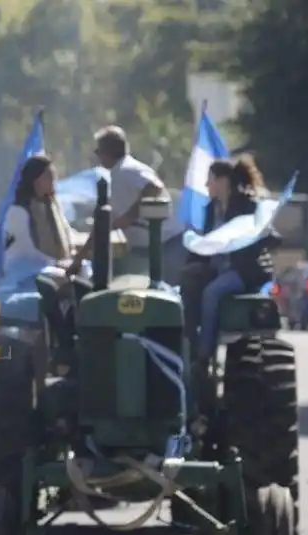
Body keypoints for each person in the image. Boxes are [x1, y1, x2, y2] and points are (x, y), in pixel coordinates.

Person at [186, 155, 278, 363]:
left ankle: (204, 352)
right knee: (188, 285)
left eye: (210, 179)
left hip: (243, 269)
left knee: (211, 292)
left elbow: (267, 235)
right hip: (218, 267)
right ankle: (188, 341)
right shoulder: (211, 209)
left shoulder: (248, 205)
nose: (206, 184)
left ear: (222, 181)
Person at [1, 154, 77, 365]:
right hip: (26, 270)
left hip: (56, 265)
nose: (54, 182)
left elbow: (68, 236)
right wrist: (56, 264)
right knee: (50, 285)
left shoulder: (53, 207)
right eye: (49, 177)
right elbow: (26, 248)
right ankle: (63, 342)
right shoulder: (18, 212)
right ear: (36, 180)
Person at [68, 125, 172, 278]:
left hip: (161, 245)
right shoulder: (118, 175)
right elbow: (105, 222)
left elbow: (154, 187)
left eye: (98, 152)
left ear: (107, 151)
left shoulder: (126, 169)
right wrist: (80, 257)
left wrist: (130, 216)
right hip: (143, 246)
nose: (97, 156)